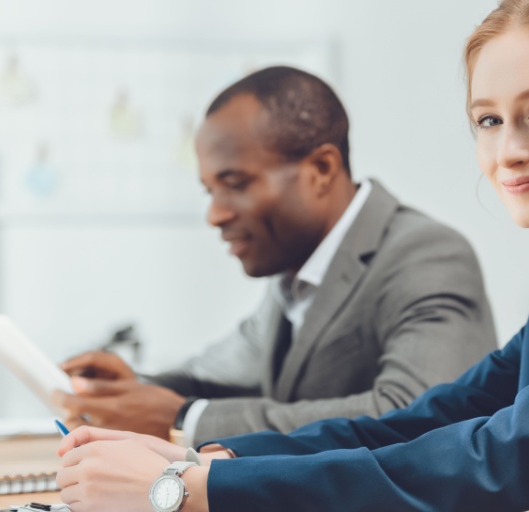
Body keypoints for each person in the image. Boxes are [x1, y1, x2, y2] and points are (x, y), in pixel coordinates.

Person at [55, 1, 529, 510]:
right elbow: (420, 422)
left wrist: (189, 492)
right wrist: (198, 461)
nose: (508, 150)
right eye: (487, 120)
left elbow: (497, 458)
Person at [56, 65, 498, 445]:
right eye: (210, 190)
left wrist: (182, 418)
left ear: (321, 170)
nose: (214, 214)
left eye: (236, 183)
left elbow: (419, 415)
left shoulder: (426, 253)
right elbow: (215, 373)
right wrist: (132, 390)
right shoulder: (296, 270)